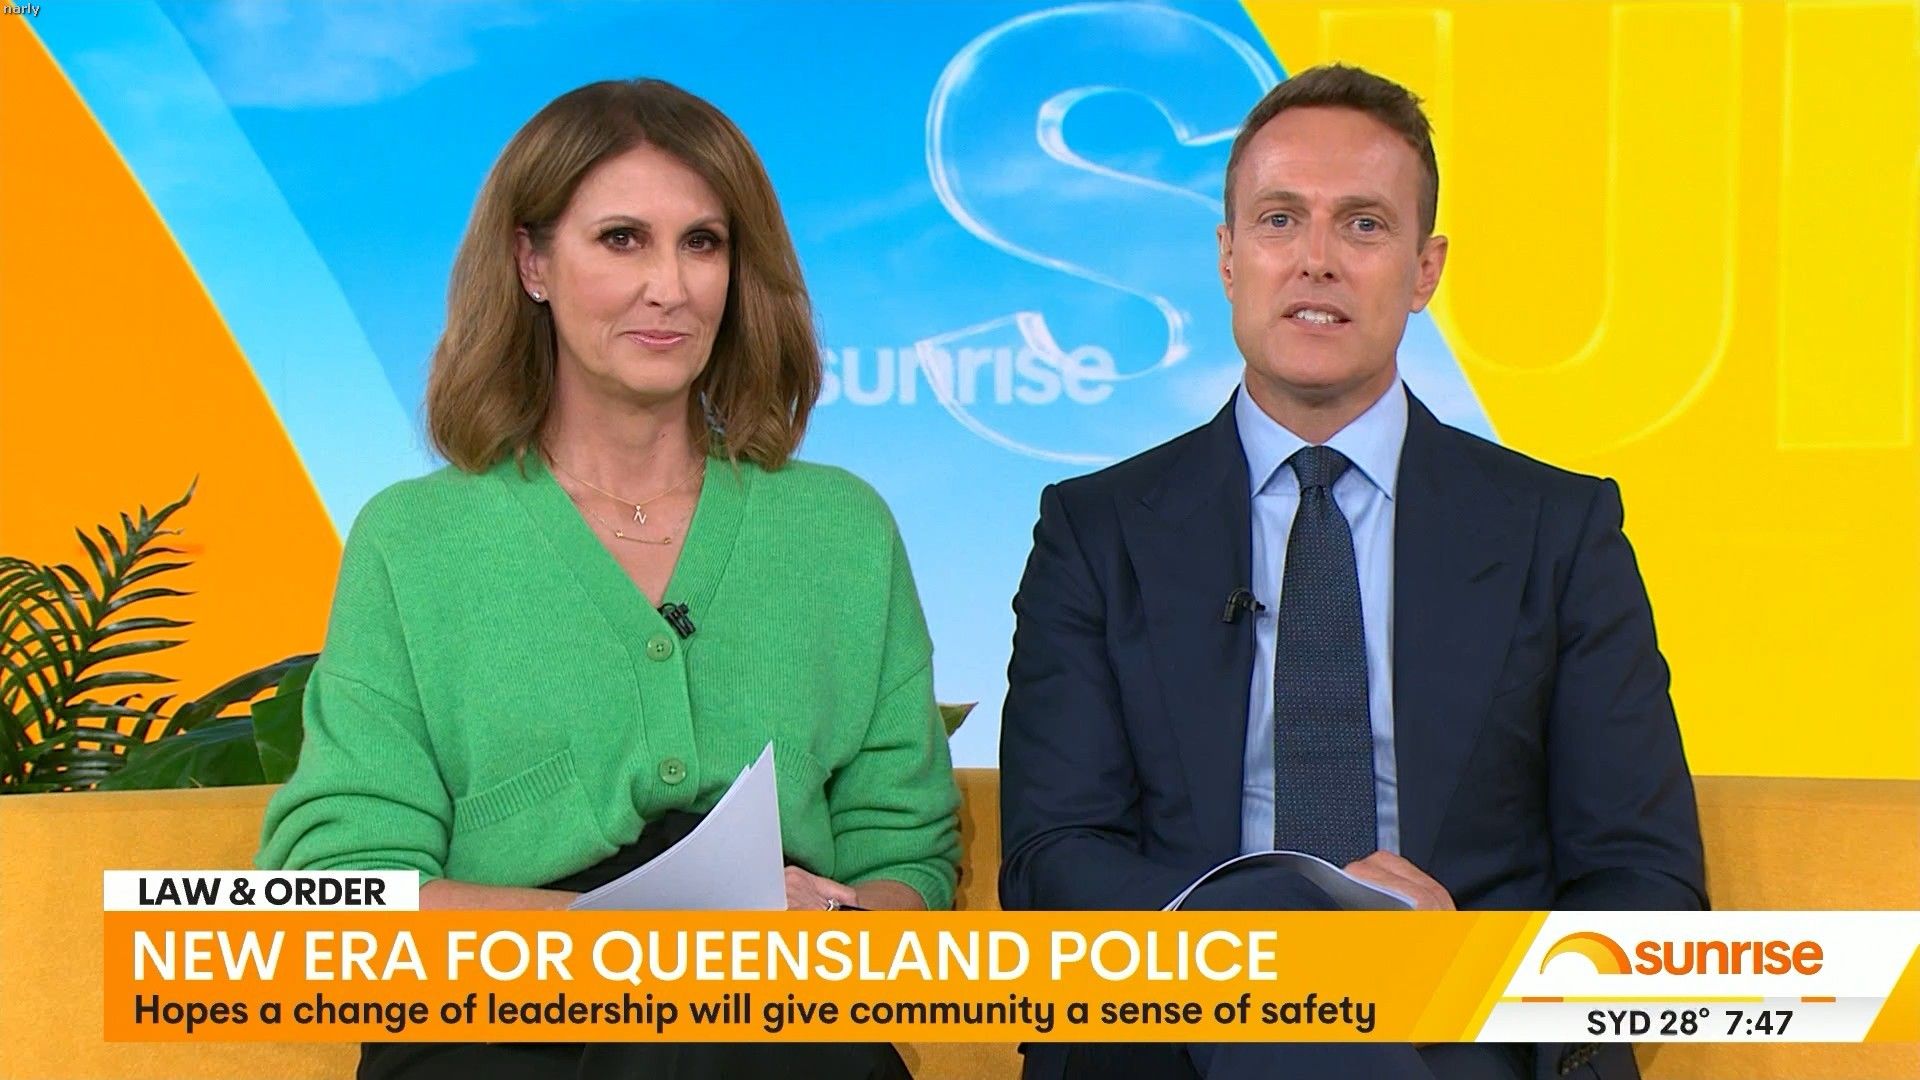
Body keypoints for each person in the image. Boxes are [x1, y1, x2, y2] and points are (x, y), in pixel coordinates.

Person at [998, 64, 1705, 1080]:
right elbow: (1053, 858)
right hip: (1185, 1022)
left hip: (1456, 1035)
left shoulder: (1558, 530)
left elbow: (1645, 881)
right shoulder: (1096, 531)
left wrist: (1465, 969)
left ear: (1425, 270)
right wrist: (1263, 942)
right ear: (1229, 257)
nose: (1317, 260)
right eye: (1280, 220)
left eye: (1364, 225)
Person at [257, 78, 958, 1080]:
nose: (669, 286)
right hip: (495, 1023)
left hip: (774, 1024)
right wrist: (647, 942)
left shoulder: (840, 528)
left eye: (702, 243)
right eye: (623, 239)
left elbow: (904, 856)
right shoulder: (412, 540)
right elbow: (344, 886)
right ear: (532, 262)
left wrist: (830, 931)